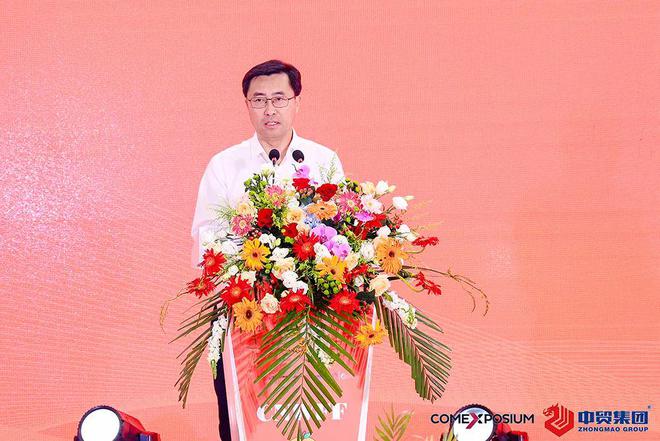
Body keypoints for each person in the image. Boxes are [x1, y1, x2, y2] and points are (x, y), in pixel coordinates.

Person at [190, 59, 344, 441]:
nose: (269, 109)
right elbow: (206, 238)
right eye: (259, 100)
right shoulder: (224, 165)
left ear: (297, 102)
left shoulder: (324, 161)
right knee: (242, 420)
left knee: (314, 419)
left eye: (279, 98)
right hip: (243, 313)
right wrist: (252, 264)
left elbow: (342, 236)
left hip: (312, 316)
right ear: (247, 105)